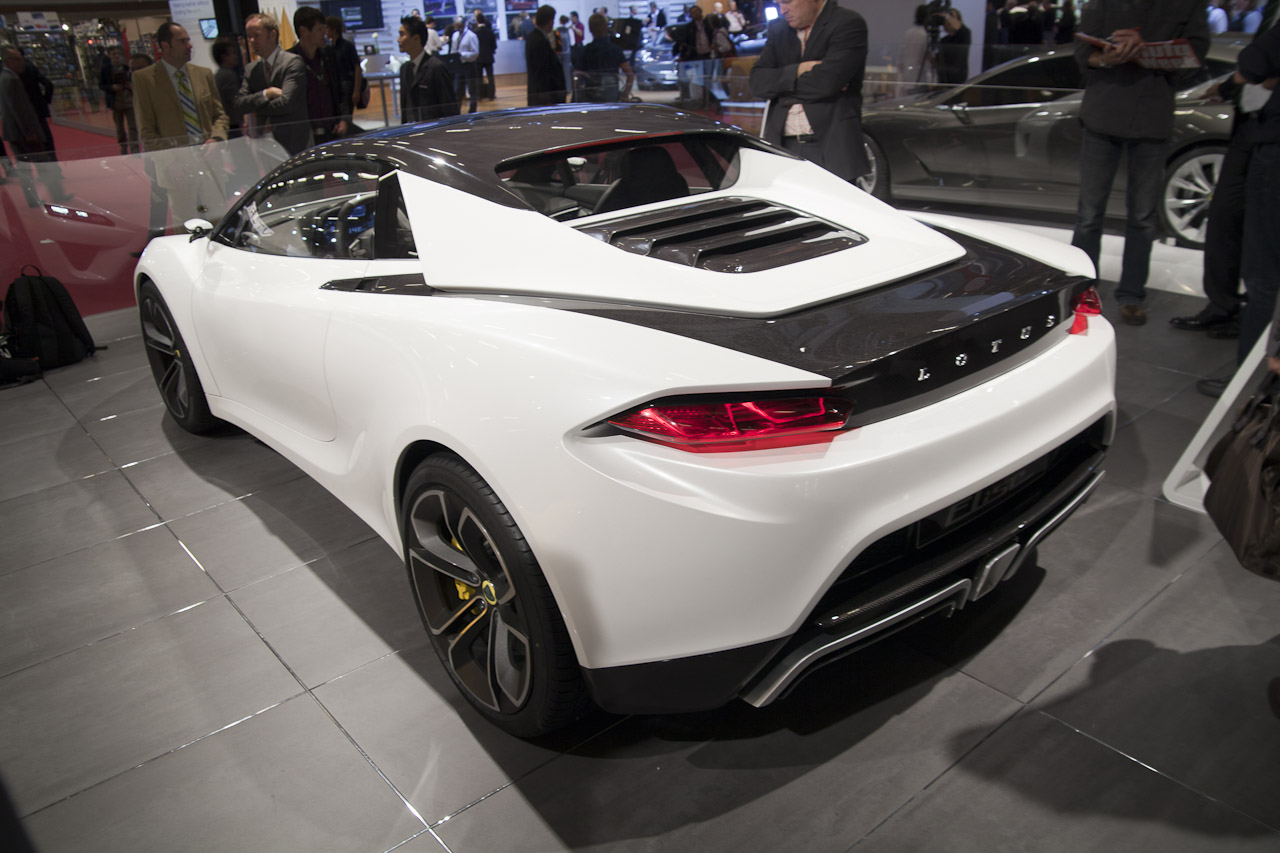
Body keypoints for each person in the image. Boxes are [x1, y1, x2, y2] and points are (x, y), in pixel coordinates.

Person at [1069, 0, 1208, 326]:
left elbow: (1195, 56)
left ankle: (1132, 294)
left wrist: (1148, 51)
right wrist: (1106, 58)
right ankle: (1081, 290)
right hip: (1103, 112)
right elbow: (1082, 52)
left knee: (1143, 217)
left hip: (1152, 118)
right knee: (1089, 215)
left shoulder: (1189, 5)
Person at [1173, 0, 1279, 355]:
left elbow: (1255, 63)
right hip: (1252, 126)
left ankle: (1254, 367)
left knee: (1263, 265)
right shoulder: (1271, 10)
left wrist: (1241, 79)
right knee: (1225, 218)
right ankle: (1225, 308)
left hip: (1271, 137)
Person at [749, 0, 869, 183]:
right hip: (783, 147)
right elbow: (757, 83)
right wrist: (799, 70)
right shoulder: (779, 29)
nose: (782, 10)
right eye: (778, 3)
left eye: (787, 1)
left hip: (831, 146)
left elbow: (827, 83)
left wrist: (780, 88)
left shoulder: (847, 23)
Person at [133, 22, 230, 152]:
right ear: (165, 46)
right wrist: (173, 158)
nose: (189, 46)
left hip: (209, 155)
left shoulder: (204, 74)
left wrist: (216, 139)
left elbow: (219, 115)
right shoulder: (145, 79)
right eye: (182, 41)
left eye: (188, 40)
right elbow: (146, 131)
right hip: (173, 160)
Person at [235, 12, 312, 156]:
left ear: (272, 35)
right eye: (249, 36)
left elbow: (286, 103)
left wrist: (255, 110)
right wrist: (267, 94)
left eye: (256, 35)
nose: (251, 40)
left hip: (294, 143)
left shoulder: (292, 62)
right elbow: (239, 104)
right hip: (263, 146)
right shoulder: (251, 69)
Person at [1, 45, 69, 201]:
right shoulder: (11, 79)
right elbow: (19, 110)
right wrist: (30, 132)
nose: (21, 63)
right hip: (24, 133)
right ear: (8, 61)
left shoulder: (6, 77)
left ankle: (33, 199)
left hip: (14, 132)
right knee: (43, 164)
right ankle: (57, 195)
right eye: (17, 60)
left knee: (24, 167)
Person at [291, 6, 349, 145]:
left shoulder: (329, 56)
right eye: (320, 29)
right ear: (303, 31)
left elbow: (341, 89)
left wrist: (343, 119)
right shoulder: (290, 60)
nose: (325, 33)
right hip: (305, 137)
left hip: (334, 132)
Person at [398, 15, 459, 123]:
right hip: (412, 129)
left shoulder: (436, 67)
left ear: (416, 38)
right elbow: (405, 107)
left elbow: (449, 107)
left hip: (433, 129)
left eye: (402, 35)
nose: (398, 40)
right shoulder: (405, 69)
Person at [577, 11, 636, 101]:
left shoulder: (585, 50)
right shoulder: (615, 50)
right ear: (606, 28)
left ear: (590, 29)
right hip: (611, 98)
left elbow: (577, 75)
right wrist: (625, 94)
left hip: (590, 99)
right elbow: (630, 74)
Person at [18, 48, 56, 161]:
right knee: (45, 139)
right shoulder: (30, 65)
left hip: (30, 110)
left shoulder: (21, 69)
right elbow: (48, 84)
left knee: (37, 141)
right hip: (38, 108)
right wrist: (45, 100)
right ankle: (53, 164)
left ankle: (48, 165)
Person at [100, 46, 138, 155]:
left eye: (118, 54)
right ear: (110, 56)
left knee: (132, 126)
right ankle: (123, 146)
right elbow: (101, 85)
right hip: (116, 102)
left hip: (128, 100)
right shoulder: (105, 70)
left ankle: (134, 147)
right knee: (120, 127)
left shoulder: (126, 68)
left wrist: (130, 85)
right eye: (114, 54)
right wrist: (112, 87)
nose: (116, 56)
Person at [674, 4, 714, 105]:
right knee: (696, 79)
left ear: (700, 12)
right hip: (695, 56)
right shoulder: (689, 27)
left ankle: (709, 99)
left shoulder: (708, 24)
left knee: (708, 78)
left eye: (696, 12)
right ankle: (698, 99)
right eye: (692, 13)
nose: (695, 14)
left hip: (708, 55)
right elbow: (685, 41)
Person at [527, 5, 567, 105]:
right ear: (550, 21)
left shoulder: (532, 37)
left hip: (538, 94)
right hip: (545, 97)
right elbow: (543, 72)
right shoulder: (540, 41)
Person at [326, 16, 365, 117]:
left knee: (345, 115)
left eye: (327, 28)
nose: (325, 31)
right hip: (337, 87)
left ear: (334, 29)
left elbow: (357, 68)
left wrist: (356, 91)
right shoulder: (330, 47)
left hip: (346, 86)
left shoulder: (347, 46)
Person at [212, 38, 245, 139]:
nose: (236, 56)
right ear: (224, 57)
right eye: (233, 53)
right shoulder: (228, 76)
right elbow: (236, 101)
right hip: (233, 126)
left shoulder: (218, 75)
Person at [448, 16, 481, 113]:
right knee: (457, 90)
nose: (456, 26)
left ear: (462, 24)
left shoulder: (471, 36)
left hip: (469, 65)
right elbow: (453, 49)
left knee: (472, 90)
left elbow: (476, 53)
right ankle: (456, 111)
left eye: (458, 25)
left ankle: (472, 112)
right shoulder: (455, 35)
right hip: (458, 66)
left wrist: (462, 54)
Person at [899, 6, 935, 94]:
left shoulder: (908, 33)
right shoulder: (925, 35)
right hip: (920, 79)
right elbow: (929, 57)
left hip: (908, 78)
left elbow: (901, 56)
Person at [937, 8, 972, 86]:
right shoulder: (943, 41)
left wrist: (947, 16)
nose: (949, 20)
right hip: (944, 79)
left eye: (952, 17)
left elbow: (962, 29)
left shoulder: (964, 34)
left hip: (958, 78)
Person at [473, 10, 498, 100]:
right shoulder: (490, 32)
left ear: (477, 21)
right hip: (488, 57)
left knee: (478, 77)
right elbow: (494, 46)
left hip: (478, 58)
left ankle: (479, 95)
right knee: (490, 77)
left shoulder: (475, 33)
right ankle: (491, 95)